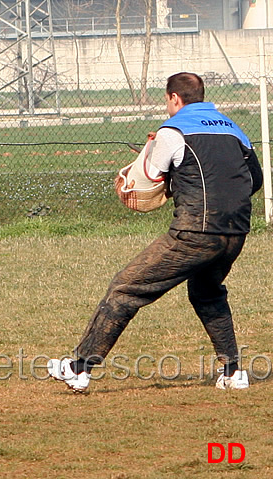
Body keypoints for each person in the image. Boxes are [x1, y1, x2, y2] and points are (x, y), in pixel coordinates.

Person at [47, 72, 263, 393]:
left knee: (125, 288)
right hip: (236, 231)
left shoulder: (172, 130)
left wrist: (150, 151)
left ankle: (78, 368)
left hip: (195, 232)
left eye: (167, 100)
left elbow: (152, 177)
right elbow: (254, 181)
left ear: (174, 98)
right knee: (207, 294)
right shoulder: (234, 129)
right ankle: (233, 372)